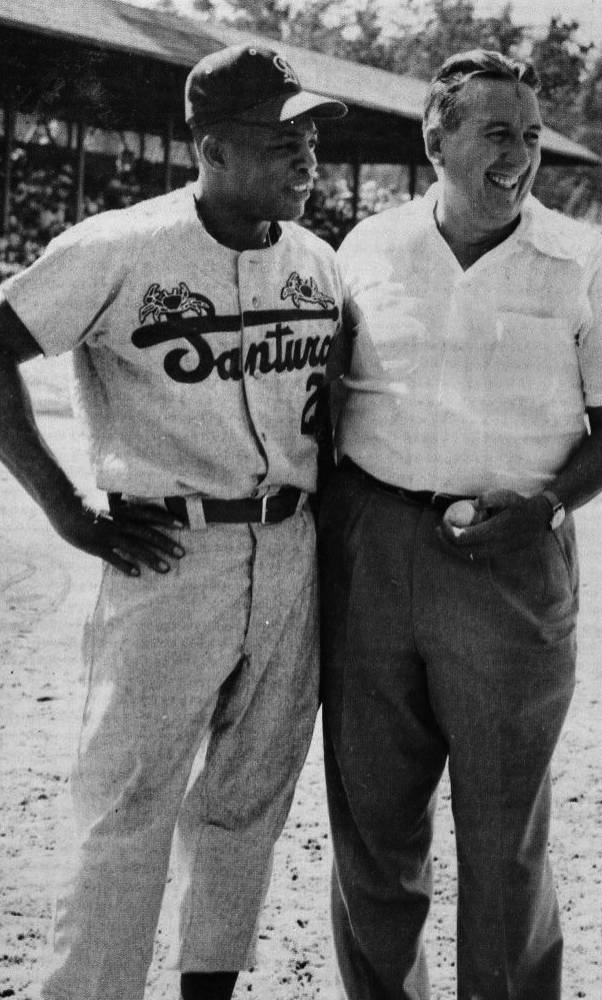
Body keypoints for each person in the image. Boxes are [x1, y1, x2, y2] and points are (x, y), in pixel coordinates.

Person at [0, 44, 349, 1000]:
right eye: (283, 136)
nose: (306, 153)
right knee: (127, 805)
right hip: (169, 553)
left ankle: (208, 991)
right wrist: (65, 507)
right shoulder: (118, 245)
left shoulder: (317, 260)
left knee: (247, 800)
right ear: (211, 146)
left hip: (291, 547)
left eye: (310, 133)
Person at [318, 48, 602, 1000]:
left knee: (503, 836)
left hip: (511, 561)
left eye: (532, 138)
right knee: (373, 828)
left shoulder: (580, 258)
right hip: (374, 550)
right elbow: (328, 399)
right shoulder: (366, 248)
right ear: (437, 136)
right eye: (497, 133)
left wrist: (545, 506)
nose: (520, 158)